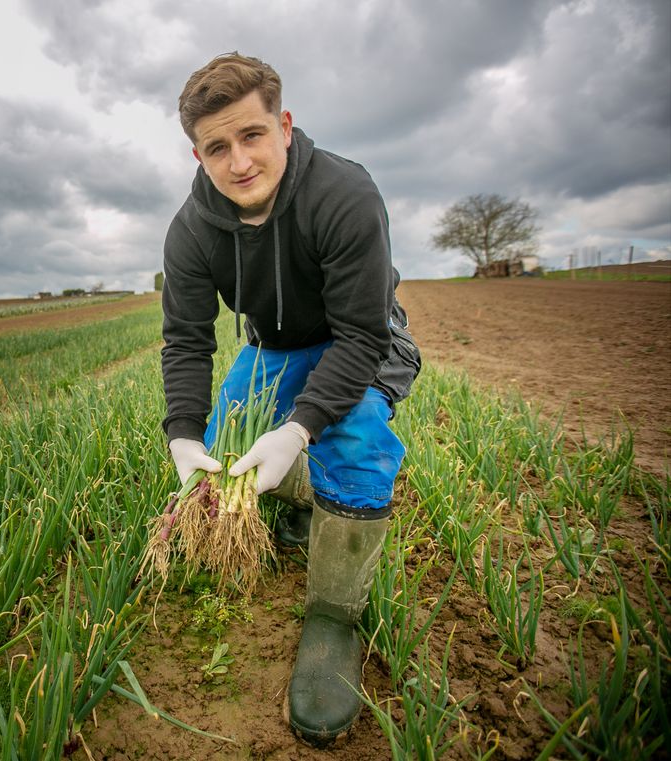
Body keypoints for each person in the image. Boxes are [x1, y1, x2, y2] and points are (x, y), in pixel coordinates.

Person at [160, 52, 421, 747]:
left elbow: (361, 337)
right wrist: (183, 436)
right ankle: (310, 507)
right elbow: (186, 341)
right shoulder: (191, 230)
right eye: (218, 147)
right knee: (223, 445)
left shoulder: (343, 193)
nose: (239, 160)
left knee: (356, 438)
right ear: (198, 153)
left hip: (360, 338)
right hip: (273, 348)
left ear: (284, 123)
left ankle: (335, 616)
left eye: (252, 135)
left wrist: (299, 426)